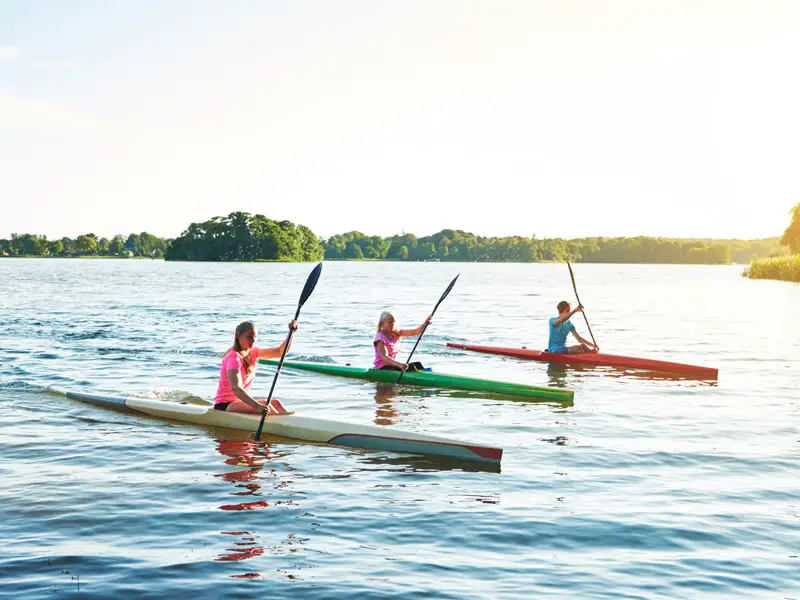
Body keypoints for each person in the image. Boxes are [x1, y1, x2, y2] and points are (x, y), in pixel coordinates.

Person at [213, 320, 297, 414]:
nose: (253, 340)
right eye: (249, 337)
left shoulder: (253, 352)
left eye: (255, 337)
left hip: (240, 402)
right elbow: (236, 388)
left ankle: (292, 423)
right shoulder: (234, 357)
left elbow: (280, 352)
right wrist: (258, 406)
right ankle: (281, 426)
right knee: (266, 404)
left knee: (276, 403)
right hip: (225, 405)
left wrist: (291, 332)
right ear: (238, 336)